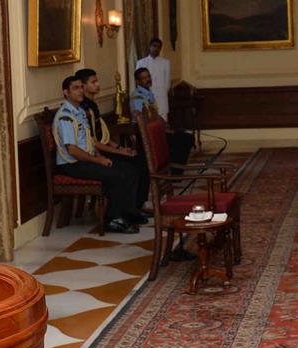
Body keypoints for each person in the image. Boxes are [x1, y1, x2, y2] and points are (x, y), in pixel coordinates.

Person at [53, 74, 141, 233]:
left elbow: (92, 141)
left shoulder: (79, 112)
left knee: (129, 169)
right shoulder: (65, 116)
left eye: (81, 87)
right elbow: (72, 150)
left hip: (86, 159)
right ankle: (113, 219)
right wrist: (97, 160)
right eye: (75, 88)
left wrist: (116, 151)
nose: (80, 91)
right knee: (116, 174)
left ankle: (128, 212)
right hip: (72, 164)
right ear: (66, 92)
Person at [77, 68, 150, 216]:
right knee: (133, 164)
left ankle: (135, 205)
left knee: (140, 159)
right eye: (93, 82)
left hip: (101, 148)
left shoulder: (92, 105)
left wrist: (118, 146)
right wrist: (119, 151)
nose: (98, 85)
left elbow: (101, 134)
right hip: (94, 153)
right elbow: (93, 141)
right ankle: (128, 209)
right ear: (83, 86)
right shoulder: (84, 109)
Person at [134, 66, 194, 165]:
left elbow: (154, 114)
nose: (148, 79)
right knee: (185, 139)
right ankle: (175, 171)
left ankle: (175, 169)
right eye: (144, 78)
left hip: (157, 130)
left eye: (149, 76)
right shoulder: (138, 97)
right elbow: (144, 119)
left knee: (184, 136)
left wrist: (165, 124)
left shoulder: (148, 94)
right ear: (137, 81)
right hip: (149, 134)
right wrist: (164, 129)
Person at [135, 36, 172, 116]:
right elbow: (138, 82)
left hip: (161, 98)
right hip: (146, 99)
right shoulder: (141, 63)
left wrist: (161, 92)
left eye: (158, 47)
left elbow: (167, 82)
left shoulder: (165, 63)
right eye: (154, 46)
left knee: (162, 123)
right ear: (150, 47)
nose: (156, 49)